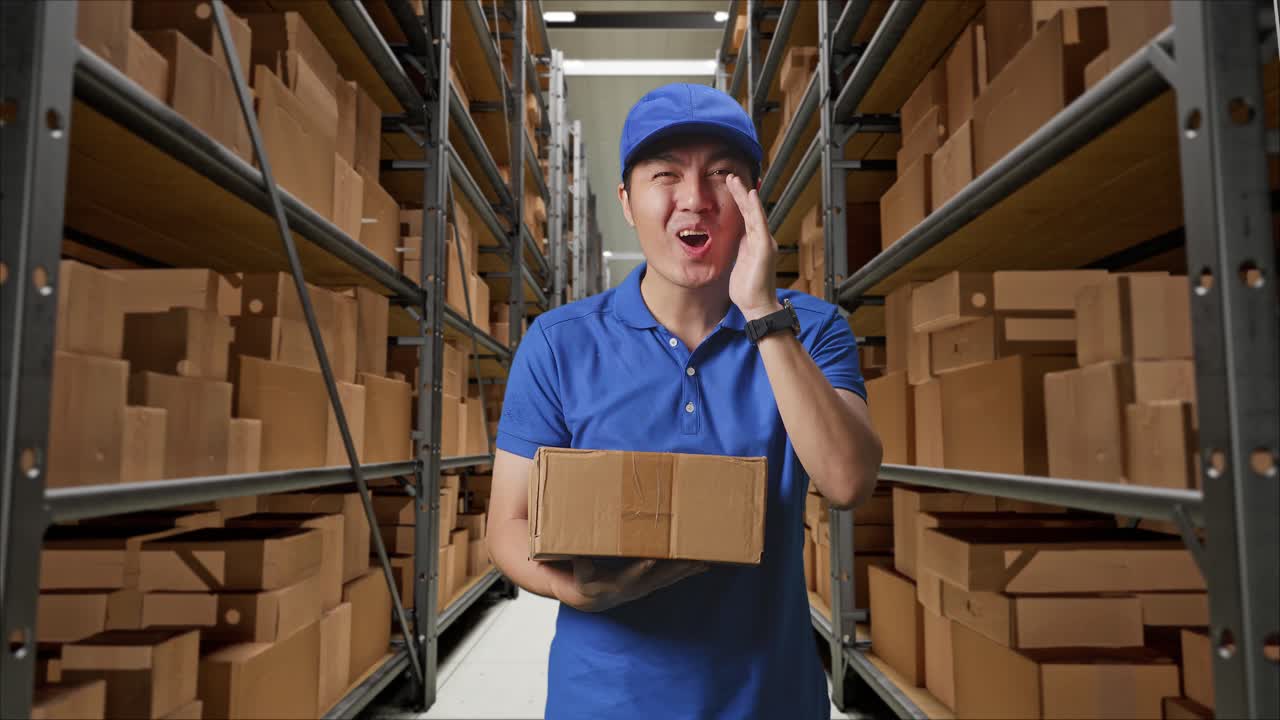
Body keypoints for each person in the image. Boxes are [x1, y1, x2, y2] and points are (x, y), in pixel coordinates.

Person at [485, 82, 882, 719]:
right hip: (605, 703)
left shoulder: (810, 328)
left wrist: (761, 311)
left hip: (767, 700)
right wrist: (574, 590)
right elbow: (505, 526)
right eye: (665, 175)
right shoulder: (559, 344)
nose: (693, 199)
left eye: (722, 175)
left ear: (753, 201)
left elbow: (848, 480)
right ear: (627, 200)